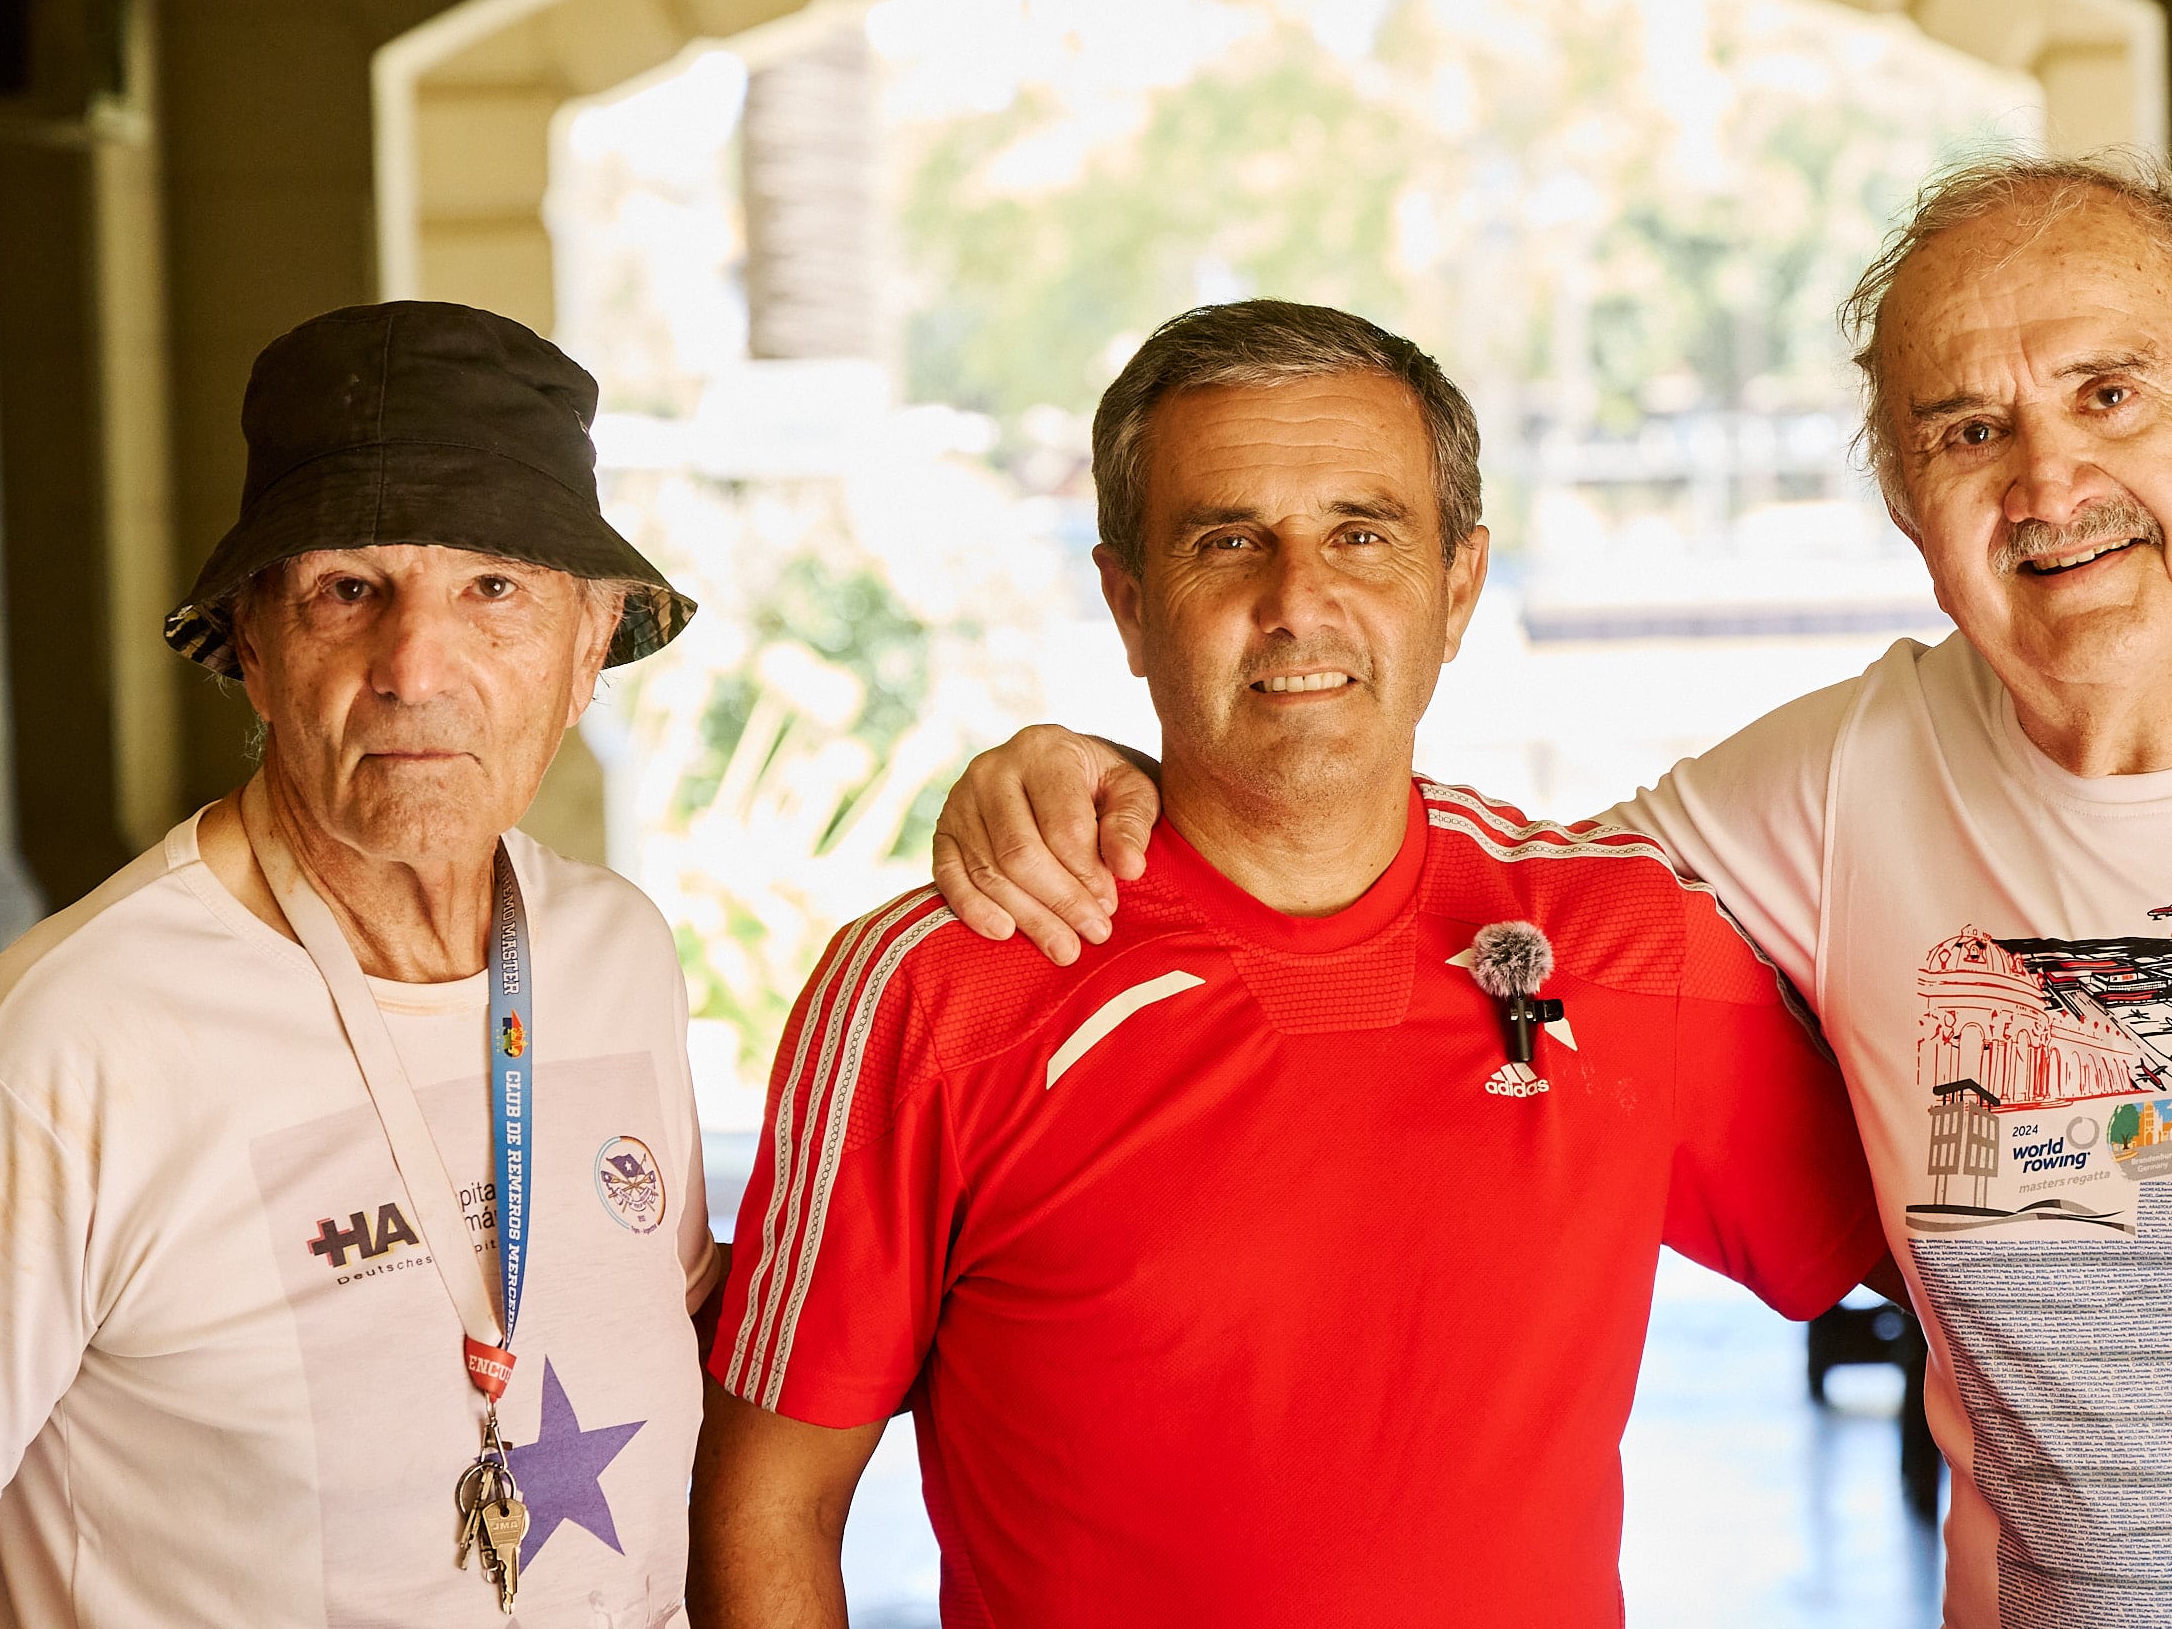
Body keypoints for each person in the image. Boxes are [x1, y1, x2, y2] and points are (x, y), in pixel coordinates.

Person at [929, 153, 2172, 1627]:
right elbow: (1398, 877)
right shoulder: (1836, 782)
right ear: (1904, 501)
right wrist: (1124, 775)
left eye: (2108, 394)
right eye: (1965, 427)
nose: (2044, 479)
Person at [690, 301, 1884, 1629]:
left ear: (1460, 586)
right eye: (1226, 544)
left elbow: (1973, 1282)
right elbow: (767, 1505)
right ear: (1130, 605)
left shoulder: (1620, 943)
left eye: (1361, 536)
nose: (1297, 602)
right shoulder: (942, 987)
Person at [0, 303, 722, 1627]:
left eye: (496, 588)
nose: (414, 667)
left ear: (593, 645)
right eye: (349, 590)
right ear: (249, 643)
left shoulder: (614, 955)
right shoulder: (75, 1039)